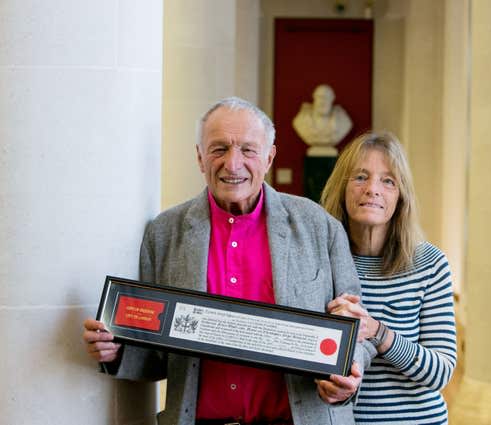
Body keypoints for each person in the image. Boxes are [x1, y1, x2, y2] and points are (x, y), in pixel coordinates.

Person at [83, 97, 376, 425]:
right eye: (219, 149)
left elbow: (357, 333)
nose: (233, 164)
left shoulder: (318, 225)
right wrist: (117, 350)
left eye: (248, 150)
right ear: (199, 157)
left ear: (269, 157)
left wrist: (349, 374)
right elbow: (156, 352)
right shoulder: (164, 234)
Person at [320, 132, 457, 424]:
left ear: (401, 197)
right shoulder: (319, 262)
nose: (372, 189)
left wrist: (377, 332)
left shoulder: (430, 264)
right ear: (341, 189)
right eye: (360, 177)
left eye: (388, 181)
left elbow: (441, 372)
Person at [292, 84, 352, 157]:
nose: (323, 101)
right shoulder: (301, 121)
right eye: (320, 97)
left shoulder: (343, 122)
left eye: (327, 98)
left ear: (332, 99)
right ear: (314, 98)